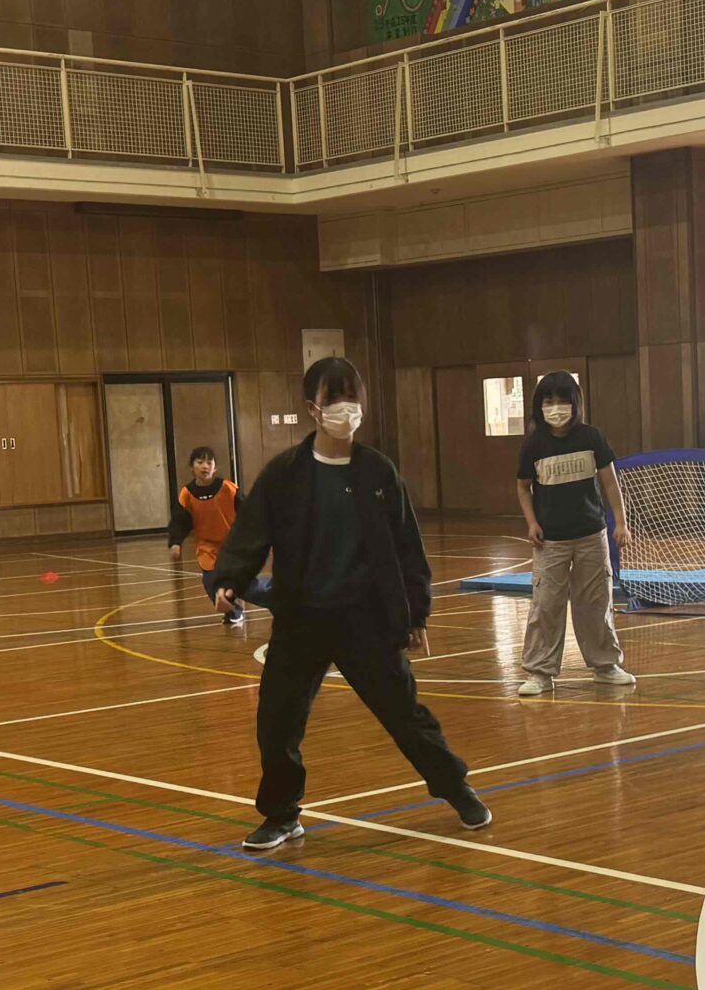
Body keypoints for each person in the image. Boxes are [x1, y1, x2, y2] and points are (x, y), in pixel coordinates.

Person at [209, 356, 491, 852]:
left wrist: (416, 612)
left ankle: (456, 788)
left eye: (352, 398)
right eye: (333, 399)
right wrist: (230, 580)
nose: (345, 409)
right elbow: (252, 532)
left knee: (405, 715)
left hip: (366, 620)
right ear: (312, 408)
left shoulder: (378, 472)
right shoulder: (285, 474)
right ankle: (281, 815)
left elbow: (407, 546)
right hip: (301, 619)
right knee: (276, 722)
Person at [514, 371, 635, 699]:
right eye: (548, 401)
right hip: (550, 541)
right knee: (546, 605)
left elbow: (610, 482)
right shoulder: (534, 445)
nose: (556, 408)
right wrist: (532, 523)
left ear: (575, 403)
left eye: (562, 400)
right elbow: (523, 488)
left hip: (591, 536)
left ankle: (605, 666)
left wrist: (620, 523)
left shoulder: (591, 438)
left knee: (596, 602)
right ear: (539, 406)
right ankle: (540, 672)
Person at [168, 445, 244, 627]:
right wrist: (175, 542)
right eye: (200, 462)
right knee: (210, 581)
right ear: (191, 467)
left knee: (247, 585)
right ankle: (233, 611)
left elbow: (249, 510)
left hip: (232, 544)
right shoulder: (187, 494)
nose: (205, 466)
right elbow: (179, 521)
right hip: (207, 546)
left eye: (209, 462)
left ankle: (281, 601)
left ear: (215, 468)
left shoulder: (228, 488)